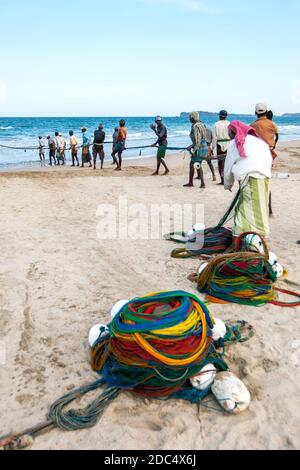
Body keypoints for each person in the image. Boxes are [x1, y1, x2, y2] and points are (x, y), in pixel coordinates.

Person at [224, 121, 273, 243]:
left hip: (249, 178)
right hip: (265, 177)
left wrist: (228, 184)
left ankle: (237, 242)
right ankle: (262, 240)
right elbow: (268, 158)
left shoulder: (235, 142)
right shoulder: (259, 141)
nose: (230, 136)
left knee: (242, 210)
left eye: (230, 133)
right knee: (260, 208)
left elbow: (228, 165)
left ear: (233, 132)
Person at [184, 112, 208, 188]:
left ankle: (195, 183)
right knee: (198, 164)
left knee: (193, 164)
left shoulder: (195, 126)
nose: (189, 119)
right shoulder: (202, 124)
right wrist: (191, 146)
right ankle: (200, 183)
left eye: (190, 117)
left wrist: (194, 150)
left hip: (199, 148)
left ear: (192, 118)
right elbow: (202, 139)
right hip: (204, 146)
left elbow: (198, 141)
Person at [212, 110, 231, 185]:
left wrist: (212, 148)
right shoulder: (229, 124)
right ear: (226, 116)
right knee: (228, 162)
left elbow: (214, 138)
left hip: (219, 144)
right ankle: (227, 179)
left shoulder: (216, 124)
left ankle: (223, 180)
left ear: (219, 116)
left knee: (220, 163)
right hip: (229, 144)